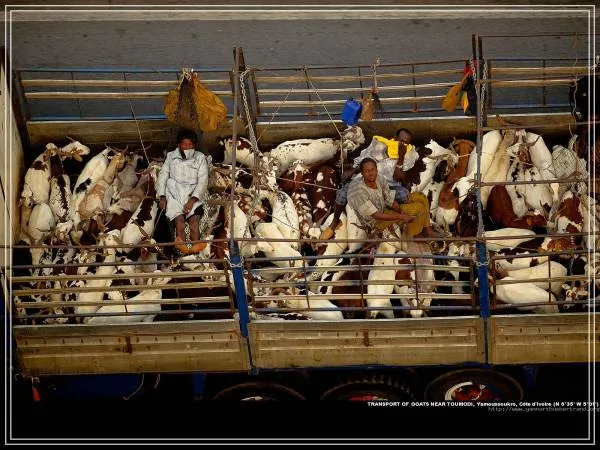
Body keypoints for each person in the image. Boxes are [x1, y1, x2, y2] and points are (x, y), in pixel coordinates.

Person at [320, 128, 439, 239]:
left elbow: (399, 176)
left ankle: (422, 227)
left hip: (388, 183)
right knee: (342, 194)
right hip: (364, 179)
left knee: (403, 195)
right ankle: (335, 221)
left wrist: (401, 157)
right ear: (395, 138)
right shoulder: (378, 144)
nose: (402, 144)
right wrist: (352, 171)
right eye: (400, 141)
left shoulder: (408, 154)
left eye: (406, 143)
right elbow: (364, 162)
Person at [346, 158, 441, 239]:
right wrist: (401, 216)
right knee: (418, 207)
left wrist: (401, 211)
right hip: (375, 222)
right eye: (367, 171)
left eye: (373, 170)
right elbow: (376, 215)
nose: (371, 173)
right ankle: (412, 236)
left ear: (376, 170)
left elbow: (389, 200)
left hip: (385, 210)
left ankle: (427, 229)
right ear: (362, 173)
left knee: (421, 197)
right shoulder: (359, 191)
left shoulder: (379, 178)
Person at [157, 128, 209, 255]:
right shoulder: (171, 156)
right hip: (174, 193)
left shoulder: (200, 157)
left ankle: (195, 254)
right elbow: (163, 176)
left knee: (194, 224)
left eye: (190, 145)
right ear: (179, 145)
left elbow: (203, 181)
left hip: (193, 194)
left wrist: (192, 200)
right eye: (184, 144)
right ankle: (183, 254)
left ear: (194, 145)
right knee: (179, 224)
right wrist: (162, 197)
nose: (187, 147)